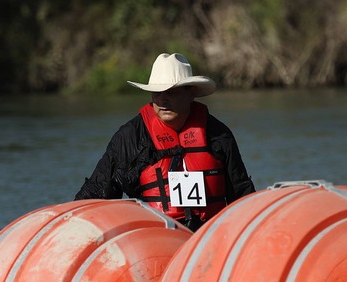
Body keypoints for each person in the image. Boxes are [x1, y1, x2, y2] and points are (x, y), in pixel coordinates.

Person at [74, 52, 255, 231]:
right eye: (157, 93)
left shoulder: (218, 134)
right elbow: (95, 195)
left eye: (171, 92)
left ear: (191, 93)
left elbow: (242, 196)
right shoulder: (131, 137)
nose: (162, 100)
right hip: (156, 242)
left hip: (209, 240)